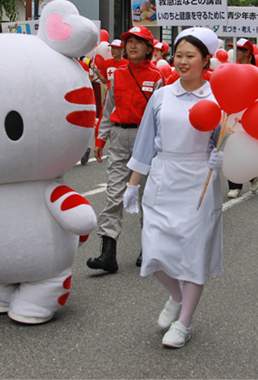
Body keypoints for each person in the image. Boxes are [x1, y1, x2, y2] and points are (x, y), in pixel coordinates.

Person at [123, 27, 222, 349]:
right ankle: (175, 296)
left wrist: (223, 155)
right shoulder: (162, 94)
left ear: (206, 60)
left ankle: (184, 322)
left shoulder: (218, 98)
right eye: (178, 55)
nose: (182, 61)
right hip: (164, 178)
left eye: (190, 56)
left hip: (199, 182)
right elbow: (144, 143)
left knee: (193, 256)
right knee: (154, 254)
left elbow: (227, 140)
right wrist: (133, 185)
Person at [89, 26, 163, 273]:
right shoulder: (117, 75)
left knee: (146, 196)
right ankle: (107, 253)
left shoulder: (158, 77)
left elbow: (162, 117)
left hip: (146, 140)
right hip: (119, 138)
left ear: (149, 49)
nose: (132, 46)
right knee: (114, 193)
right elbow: (108, 110)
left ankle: (149, 249)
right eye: (129, 41)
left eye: (138, 42)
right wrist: (100, 140)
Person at [227, 38, 258, 198]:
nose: (235, 52)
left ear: (247, 52)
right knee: (232, 146)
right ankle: (235, 185)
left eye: (239, 49)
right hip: (233, 113)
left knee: (247, 146)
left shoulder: (255, 71)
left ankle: (253, 174)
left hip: (249, 114)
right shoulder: (232, 69)